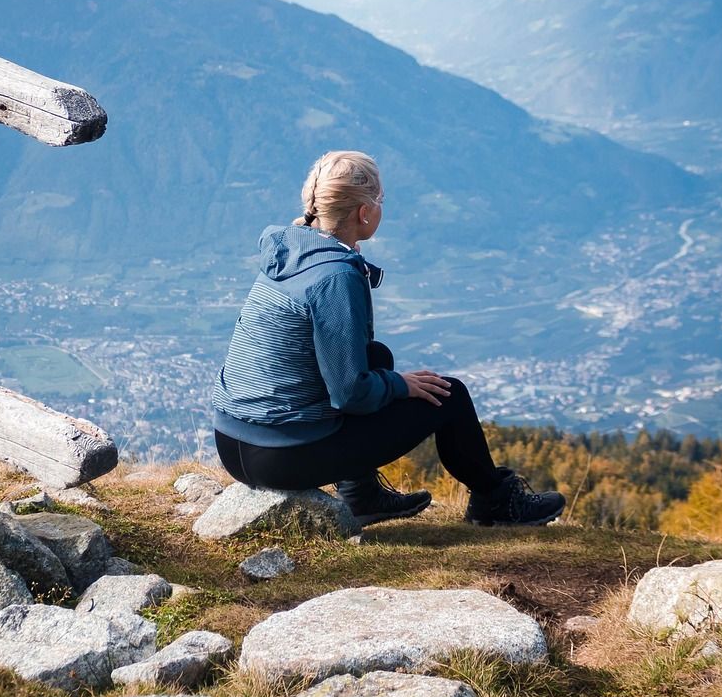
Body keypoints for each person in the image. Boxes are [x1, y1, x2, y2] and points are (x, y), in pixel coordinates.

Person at [210, 149, 566, 527]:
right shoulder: (335, 276)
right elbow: (350, 394)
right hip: (278, 456)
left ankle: (362, 498)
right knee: (449, 397)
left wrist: (388, 380)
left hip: (232, 443)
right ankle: (497, 503)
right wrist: (400, 386)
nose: (381, 208)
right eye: (380, 201)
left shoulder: (290, 250)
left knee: (375, 356)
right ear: (364, 213)